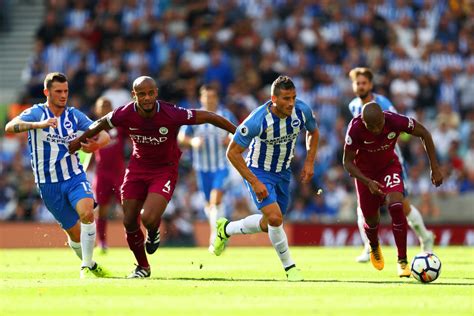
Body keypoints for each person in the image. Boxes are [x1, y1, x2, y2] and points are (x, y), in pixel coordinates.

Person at [69, 76, 236, 278]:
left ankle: (153, 229)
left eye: (150, 93)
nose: (147, 98)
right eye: (141, 94)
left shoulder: (171, 113)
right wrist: (77, 143)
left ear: (156, 93)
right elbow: (101, 123)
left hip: (164, 170)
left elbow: (209, 116)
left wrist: (238, 132)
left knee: (147, 218)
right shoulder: (125, 112)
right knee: (129, 221)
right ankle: (143, 267)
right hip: (137, 169)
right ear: (134, 95)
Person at [212, 76, 319, 282]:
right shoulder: (257, 120)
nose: (291, 103)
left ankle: (225, 229)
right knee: (276, 219)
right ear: (274, 98)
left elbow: (313, 132)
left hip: (283, 172)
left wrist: (309, 162)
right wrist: (255, 182)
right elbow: (232, 152)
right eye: (286, 98)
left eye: (294, 97)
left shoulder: (301, 110)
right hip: (259, 171)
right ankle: (291, 268)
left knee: (268, 223)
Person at [5, 72, 111, 278]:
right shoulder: (36, 113)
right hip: (48, 184)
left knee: (87, 212)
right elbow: (10, 126)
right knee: (73, 232)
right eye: (58, 91)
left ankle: (86, 267)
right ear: (47, 92)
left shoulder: (74, 115)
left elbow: (104, 132)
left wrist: (96, 145)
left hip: (74, 176)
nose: (63, 95)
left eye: (66, 91)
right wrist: (38, 125)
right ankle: (90, 263)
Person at [343, 102, 443, 277]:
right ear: (364, 122)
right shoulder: (355, 128)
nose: (376, 130)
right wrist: (367, 182)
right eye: (371, 127)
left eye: (379, 125)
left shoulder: (394, 120)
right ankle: (374, 246)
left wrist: (434, 167)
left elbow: (424, 133)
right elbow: (347, 163)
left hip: (389, 167)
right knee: (371, 221)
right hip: (365, 175)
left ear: (383, 117)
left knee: (397, 205)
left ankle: (402, 260)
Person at [347, 67, 435, 263]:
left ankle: (425, 237)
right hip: (367, 164)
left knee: (401, 204)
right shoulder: (353, 106)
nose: (361, 86)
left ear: (370, 85)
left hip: (390, 159)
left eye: (364, 83)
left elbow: (398, 128)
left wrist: (390, 145)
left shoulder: (383, 104)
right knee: (363, 208)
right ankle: (369, 247)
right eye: (357, 83)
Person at [179, 85, 237, 252]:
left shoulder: (225, 115)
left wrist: (230, 139)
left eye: (212, 96)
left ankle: (215, 236)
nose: (209, 99)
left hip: (221, 166)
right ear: (201, 98)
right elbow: (181, 137)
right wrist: (192, 142)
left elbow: (239, 132)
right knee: (209, 206)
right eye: (206, 97)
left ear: (217, 98)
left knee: (215, 197)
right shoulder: (196, 116)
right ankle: (222, 228)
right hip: (202, 169)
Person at [91, 97, 126, 253]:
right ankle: (102, 242)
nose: (105, 108)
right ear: (96, 110)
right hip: (102, 174)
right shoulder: (93, 128)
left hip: (119, 173)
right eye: (102, 106)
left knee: (127, 207)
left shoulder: (119, 127)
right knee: (101, 209)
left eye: (108, 105)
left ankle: (134, 238)